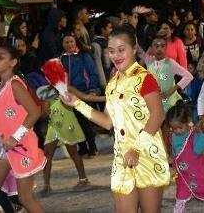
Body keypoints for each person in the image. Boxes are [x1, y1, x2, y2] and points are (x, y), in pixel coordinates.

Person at [60, 27, 170, 212]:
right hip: (122, 158)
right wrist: (77, 103)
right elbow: (107, 121)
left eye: (121, 49)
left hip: (146, 155)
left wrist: (136, 148)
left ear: (134, 48)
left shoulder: (145, 78)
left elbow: (158, 115)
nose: (116, 55)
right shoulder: (112, 84)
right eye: (111, 51)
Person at [0, 44, 46, 213]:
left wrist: (15, 137)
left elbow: (35, 112)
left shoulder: (15, 85)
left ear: (13, 62)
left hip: (20, 147)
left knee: (25, 198)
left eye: (1, 57)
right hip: (4, 148)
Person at [166, 101, 204, 213]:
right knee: (180, 199)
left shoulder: (194, 134)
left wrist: (200, 135)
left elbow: (198, 151)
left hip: (199, 174)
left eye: (179, 128)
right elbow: (174, 152)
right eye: (173, 128)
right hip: (183, 176)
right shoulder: (172, 136)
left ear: (188, 121)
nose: (176, 131)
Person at [60, 31, 99, 158]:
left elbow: (93, 72)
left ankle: (92, 148)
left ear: (75, 42)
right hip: (68, 95)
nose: (69, 44)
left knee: (85, 122)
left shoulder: (83, 56)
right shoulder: (61, 59)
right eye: (67, 42)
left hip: (84, 93)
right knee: (75, 122)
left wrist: (92, 88)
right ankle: (82, 148)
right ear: (62, 44)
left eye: (71, 41)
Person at [139, 35, 193, 114]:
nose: (159, 49)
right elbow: (138, 50)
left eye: (162, 46)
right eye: (156, 46)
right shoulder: (149, 61)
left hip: (169, 103)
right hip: (154, 103)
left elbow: (189, 76)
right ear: (151, 48)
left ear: (166, 48)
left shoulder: (170, 63)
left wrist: (172, 89)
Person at [91, 18, 114, 90]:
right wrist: (104, 85)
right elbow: (98, 65)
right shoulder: (96, 44)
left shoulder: (107, 42)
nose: (111, 30)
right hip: (106, 81)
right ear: (103, 30)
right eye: (109, 27)